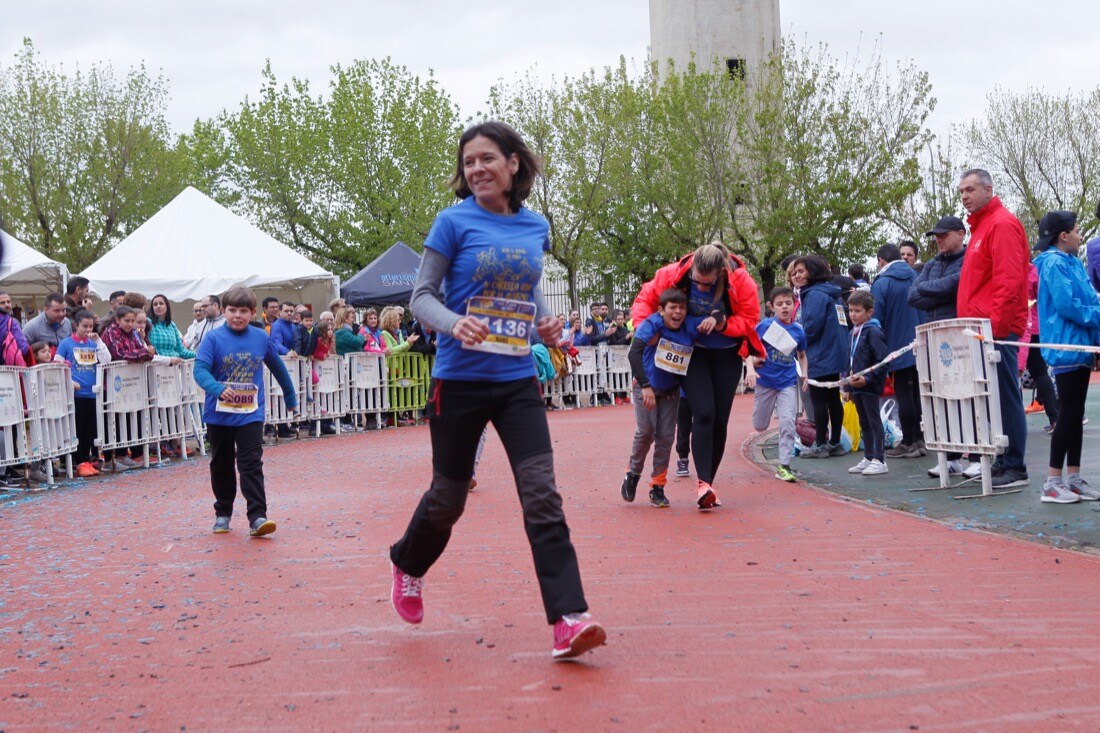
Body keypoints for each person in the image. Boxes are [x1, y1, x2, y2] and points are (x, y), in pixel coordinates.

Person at [389, 121, 605, 660]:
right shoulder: (452, 221)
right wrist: (451, 322)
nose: (478, 169)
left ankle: (568, 618)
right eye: (468, 163)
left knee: (542, 495)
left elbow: (527, 291)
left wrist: (548, 325)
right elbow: (421, 296)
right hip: (458, 383)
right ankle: (408, 562)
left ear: (513, 164)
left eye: (487, 158)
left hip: (515, 383)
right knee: (449, 499)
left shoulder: (534, 226)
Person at [632, 242, 763, 508]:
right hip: (693, 352)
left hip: (727, 353)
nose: (701, 288)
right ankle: (702, 484)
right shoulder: (674, 273)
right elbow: (645, 300)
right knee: (703, 412)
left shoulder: (742, 281)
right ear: (691, 270)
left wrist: (723, 323)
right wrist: (647, 329)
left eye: (708, 284)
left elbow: (750, 319)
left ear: (721, 273)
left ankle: (708, 484)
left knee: (719, 421)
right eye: (697, 282)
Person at [194, 287, 299, 536]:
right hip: (218, 414)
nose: (237, 316)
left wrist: (290, 396)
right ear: (223, 311)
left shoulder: (260, 337)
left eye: (243, 311)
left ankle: (258, 517)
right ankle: (223, 513)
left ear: (252, 312)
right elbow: (200, 370)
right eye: (232, 310)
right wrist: (217, 388)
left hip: (250, 412)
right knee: (221, 463)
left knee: (250, 462)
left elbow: (278, 367)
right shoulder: (213, 338)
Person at [956, 168, 1030, 489]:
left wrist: (996, 331)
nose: (964, 196)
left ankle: (1015, 464)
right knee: (994, 398)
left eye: (970, 189)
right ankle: (1004, 460)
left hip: (993, 331)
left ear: (988, 189)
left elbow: (1009, 281)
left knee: (1006, 396)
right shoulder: (983, 227)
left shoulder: (1000, 224)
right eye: (961, 191)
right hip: (980, 330)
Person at [622, 288, 722, 508]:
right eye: (672, 308)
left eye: (682, 308)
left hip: (670, 392)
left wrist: (714, 318)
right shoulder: (652, 324)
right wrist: (645, 384)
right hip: (645, 388)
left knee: (666, 437)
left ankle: (657, 486)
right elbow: (633, 353)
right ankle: (633, 473)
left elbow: (718, 317)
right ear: (661, 310)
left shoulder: (689, 325)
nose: (677, 313)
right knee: (646, 432)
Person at [1033, 211, 1100, 504]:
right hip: (1066, 345)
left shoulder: (1072, 261)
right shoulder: (1053, 263)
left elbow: (1088, 297)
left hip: (1080, 344)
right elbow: (1068, 305)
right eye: (1076, 231)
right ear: (1063, 236)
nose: (1080, 236)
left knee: (1076, 413)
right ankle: (1051, 481)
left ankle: (1072, 478)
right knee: (1068, 415)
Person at [909, 215, 972, 478]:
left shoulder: (970, 259)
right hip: (935, 340)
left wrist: (930, 290)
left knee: (968, 397)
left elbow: (958, 285)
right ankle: (951, 457)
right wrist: (941, 291)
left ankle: (980, 457)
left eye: (943, 235)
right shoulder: (932, 264)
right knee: (942, 399)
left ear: (960, 233)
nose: (938, 240)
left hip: (960, 339)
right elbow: (913, 296)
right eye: (936, 235)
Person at [744, 286, 807, 483]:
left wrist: (804, 374)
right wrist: (751, 369)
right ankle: (770, 408)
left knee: (788, 422)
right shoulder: (765, 326)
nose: (785, 308)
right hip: (765, 382)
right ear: (773, 306)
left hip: (787, 382)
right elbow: (748, 350)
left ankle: (784, 465)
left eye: (788, 303)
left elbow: (802, 355)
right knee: (760, 425)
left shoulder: (798, 331)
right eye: (780, 304)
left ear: (794, 305)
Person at [791, 255, 848, 458]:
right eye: (795, 272)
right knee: (833, 398)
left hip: (820, 353)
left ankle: (821, 443)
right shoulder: (833, 293)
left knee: (818, 399)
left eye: (801, 271)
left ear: (812, 272)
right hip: (835, 352)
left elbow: (812, 328)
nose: (796, 275)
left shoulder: (814, 295)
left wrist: (795, 340)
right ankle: (835, 442)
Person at [872, 243, 924, 459]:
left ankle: (909, 441)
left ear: (881, 261)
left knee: (904, 394)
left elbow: (876, 318)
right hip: (920, 342)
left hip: (897, 347)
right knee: (916, 394)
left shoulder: (882, 283)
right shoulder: (915, 277)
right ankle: (920, 438)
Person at [54, 310, 112, 477]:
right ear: (76, 325)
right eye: (84, 326)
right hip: (76, 395)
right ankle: (78, 461)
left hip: (93, 393)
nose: (88, 330)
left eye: (90, 326)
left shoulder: (93, 344)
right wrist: (69, 380)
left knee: (89, 429)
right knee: (77, 429)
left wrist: (99, 341)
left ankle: (86, 459)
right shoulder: (66, 343)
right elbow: (57, 362)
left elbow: (107, 360)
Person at [843, 290, 890, 476]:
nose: (853, 314)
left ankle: (880, 459)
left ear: (869, 312)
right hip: (856, 386)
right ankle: (869, 456)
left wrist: (868, 379)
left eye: (857, 311)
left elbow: (882, 361)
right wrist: (847, 386)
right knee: (864, 421)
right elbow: (849, 361)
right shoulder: (851, 333)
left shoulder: (874, 331)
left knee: (874, 421)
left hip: (869, 386)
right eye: (850, 310)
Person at [147, 294, 196, 359]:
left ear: (167, 306)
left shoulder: (172, 325)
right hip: (156, 364)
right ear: (152, 308)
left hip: (174, 366)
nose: (158, 306)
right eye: (155, 304)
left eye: (161, 303)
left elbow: (181, 350)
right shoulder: (148, 322)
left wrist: (198, 355)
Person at [0, 291, 29, 365]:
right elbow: (23, 348)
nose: (6, 305)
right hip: (8, 369)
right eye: (2, 303)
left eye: (8, 302)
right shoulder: (12, 322)